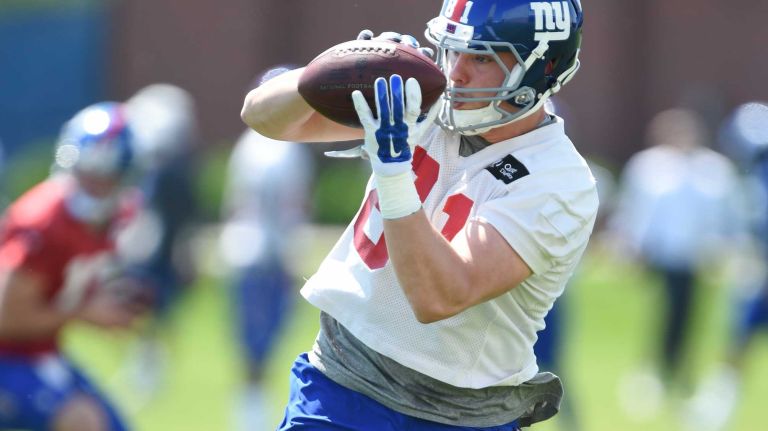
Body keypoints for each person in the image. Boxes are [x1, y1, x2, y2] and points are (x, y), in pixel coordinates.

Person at [241, 1, 597, 429]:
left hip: (459, 415)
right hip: (339, 387)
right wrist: (344, 65)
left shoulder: (559, 180)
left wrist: (392, 169)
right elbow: (262, 117)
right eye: (452, 48)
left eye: (481, 57)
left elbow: (439, 296)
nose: (455, 72)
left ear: (542, 67)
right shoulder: (424, 96)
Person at [0, 102, 145, 431]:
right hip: (7, 356)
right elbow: (4, 318)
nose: (94, 184)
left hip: (41, 353)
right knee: (82, 422)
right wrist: (84, 312)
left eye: (104, 176)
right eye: (88, 173)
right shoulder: (42, 221)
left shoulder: (117, 216)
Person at [607, 108, 748, 417]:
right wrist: (627, 246)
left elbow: (727, 215)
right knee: (659, 315)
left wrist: (726, 249)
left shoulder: (712, 169)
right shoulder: (648, 166)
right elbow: (634, 210)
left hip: (692, 258)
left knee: (686, 317)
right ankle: (652, 371)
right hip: (656, 256)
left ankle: (677, 373)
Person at [219, 126, 313, 431]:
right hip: (268, 255)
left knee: (253, 347)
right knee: (261, 345)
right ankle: (253, 418)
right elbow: (287, 205)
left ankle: (251, 413)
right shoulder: (285, 150)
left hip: (242, 249)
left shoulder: (246, 144)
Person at [116, 83, 202, 401]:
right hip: (153, 249)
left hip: (160, 251)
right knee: (144, 312)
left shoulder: (169, 173)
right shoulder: (160, 171)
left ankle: (150, 370)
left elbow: (178, 219)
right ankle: (147, 367)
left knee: (153, 310)